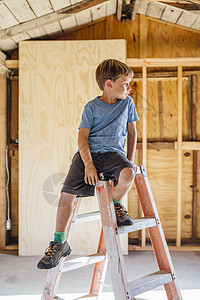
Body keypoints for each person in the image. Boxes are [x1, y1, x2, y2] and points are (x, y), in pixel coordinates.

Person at [37, 58, 139, 270]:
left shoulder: (128, 103)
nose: (129, 87)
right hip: (89, 155)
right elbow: (82, 138)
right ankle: (59, 241)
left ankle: (116, 205)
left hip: (114, 154)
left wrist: (128, 161)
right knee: (66, 194)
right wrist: (89, 165)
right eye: (125, 83)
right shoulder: (91, 108)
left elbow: (132, 134)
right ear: (109, 83)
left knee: (130, 174)